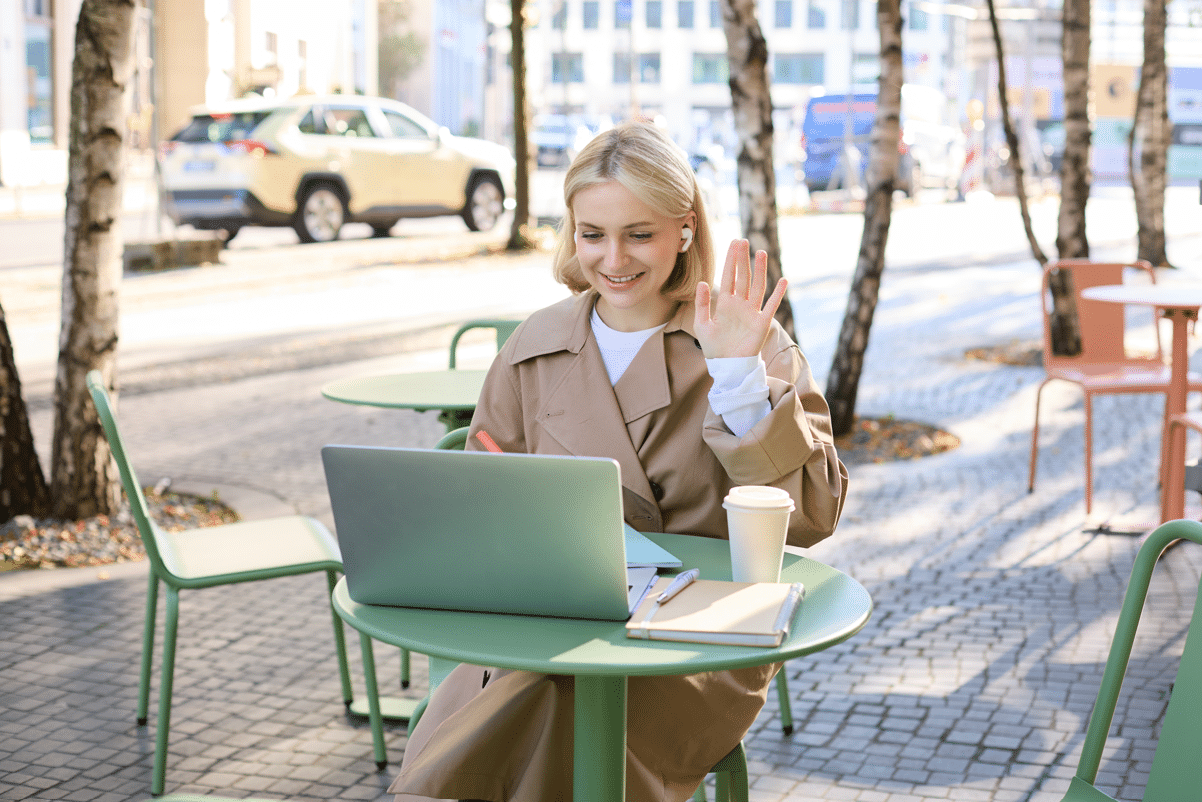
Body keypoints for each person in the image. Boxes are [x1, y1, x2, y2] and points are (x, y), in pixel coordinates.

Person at [388, 120, 848, 802]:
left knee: (546, 710)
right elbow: (483, 501)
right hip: (552, 623)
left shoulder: (743, 337)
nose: (613, 260)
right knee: (537, 691)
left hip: (699, 644)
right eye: (591, 234)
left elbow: (812, 515)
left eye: (640, 234)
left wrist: (739, 379)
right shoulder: (533, 347)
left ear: (684, 230)